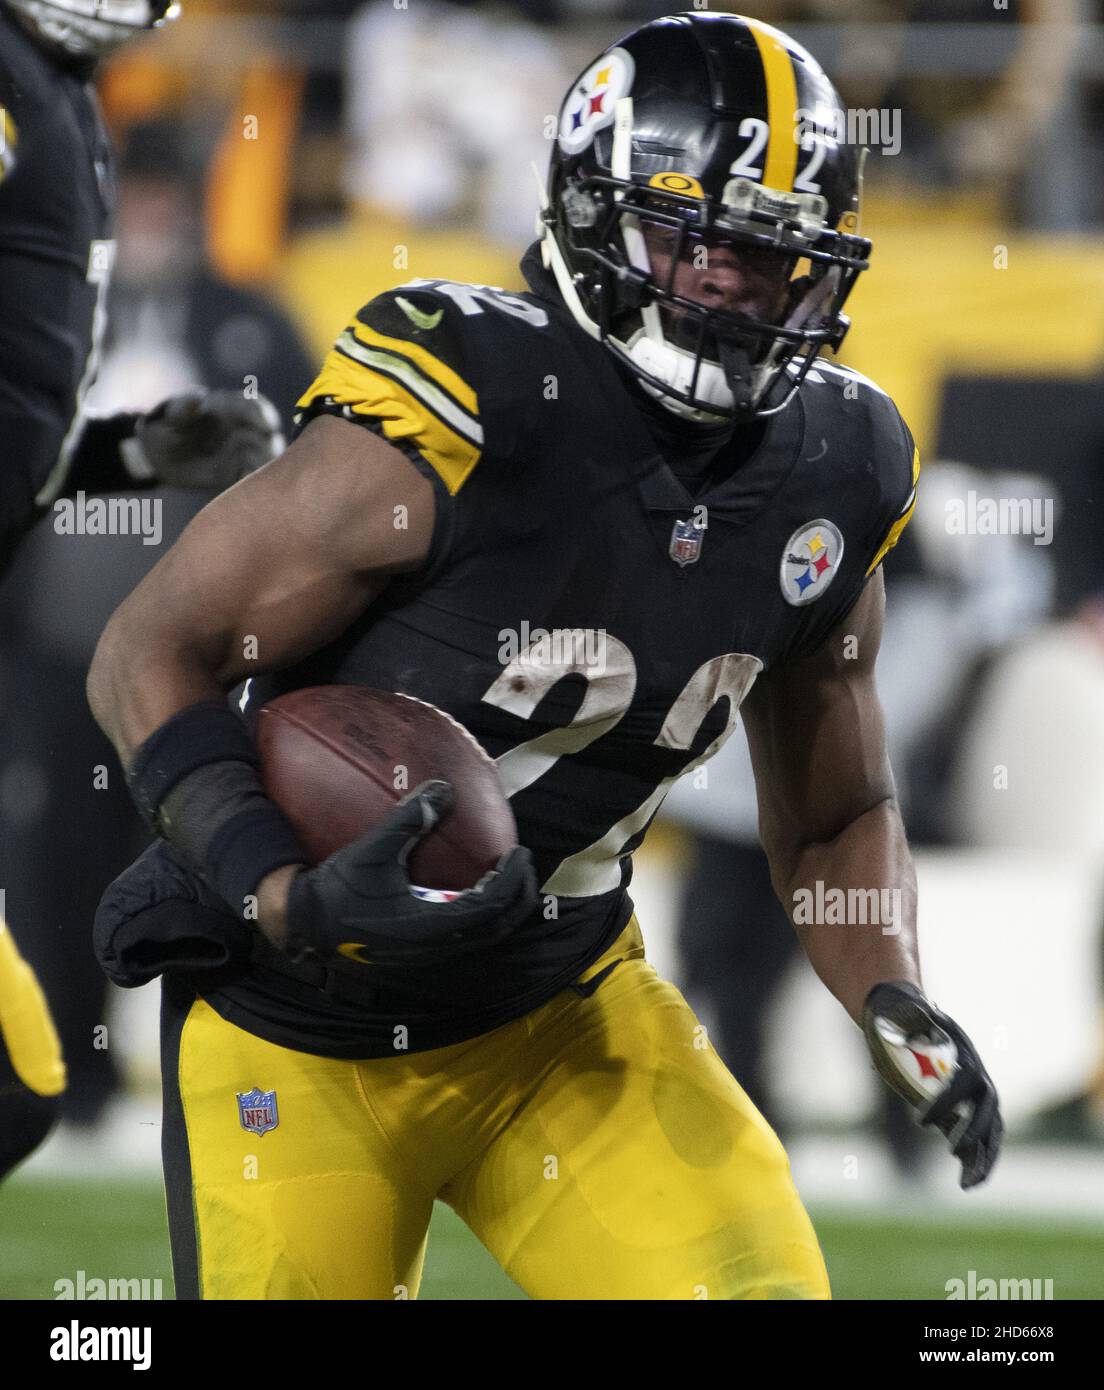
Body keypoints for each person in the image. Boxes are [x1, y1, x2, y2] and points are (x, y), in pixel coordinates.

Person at [90, 12, 1001, 1300]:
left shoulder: (837, 469)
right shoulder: (466, 403)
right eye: (699, 242)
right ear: (595, 212)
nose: (738, 284)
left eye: (773, 255)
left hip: (567, 1014)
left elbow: (837, 808)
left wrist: (891, 990)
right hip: (302, 1027)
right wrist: (274, 887)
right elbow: (149, 649)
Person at [0, 0, 280, 1181]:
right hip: (55, 641)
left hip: (149, 652)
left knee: (18, 1090)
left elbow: (19, 428)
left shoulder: (57, 81)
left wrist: (132, 454)